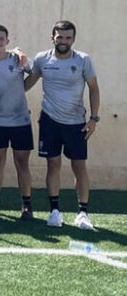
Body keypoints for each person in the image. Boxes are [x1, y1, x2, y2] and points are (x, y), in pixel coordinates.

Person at [25, 20, 100, 230]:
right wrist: (11, 71)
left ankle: (83, 213)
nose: (63, 41)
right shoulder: (42, 59)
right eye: (60, 37)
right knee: (53, 165)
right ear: (53, 38)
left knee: (79, 167)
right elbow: (27, 82)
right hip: (49, 121)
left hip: (77, 122)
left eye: (68, 38)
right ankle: (55, 212)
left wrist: (94, 119)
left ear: (73, 39)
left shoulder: (84, 60)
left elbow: (94, 88)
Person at [0, 25, 34, 219]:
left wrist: (23, 89)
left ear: (7, 42)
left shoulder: (18, 59)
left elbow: (35, 72)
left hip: (21, 121)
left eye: (1, 39)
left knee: (22, 163)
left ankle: (27, 205)